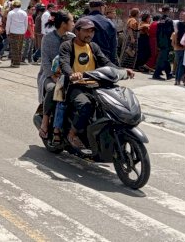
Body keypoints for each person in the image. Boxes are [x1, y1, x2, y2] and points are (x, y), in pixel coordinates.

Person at [59, 18, 134, 151]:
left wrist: (122, 71)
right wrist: (72, 74)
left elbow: (106, 62)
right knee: (86, 106)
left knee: (113, 104)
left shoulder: (93, 47)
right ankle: (72, 134)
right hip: (75, 86)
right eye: (86, 31)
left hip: (95, 84)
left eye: (92, 31)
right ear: (77, 31)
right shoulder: (67, 46)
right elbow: (64, 63)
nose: (89, 34)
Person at [37, 10, 74, 144]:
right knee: (54, 89)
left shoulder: (72, 37)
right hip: (49, 76)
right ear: (64, 24)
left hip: (69, 76)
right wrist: (53, 77)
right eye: (72, 21)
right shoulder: (48, 38)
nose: (73, 23)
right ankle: (45, 122)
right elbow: (45, 62)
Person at [85, 0, 118, 65]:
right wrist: (112, 63)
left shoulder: (82, 21)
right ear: (101, 7)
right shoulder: (109, 23)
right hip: (103, 61)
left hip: (84, 59)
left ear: (90, 8)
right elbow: (113, 47)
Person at [152, 5, 175, 80]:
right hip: (166, 42)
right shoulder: (169, 20)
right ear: (168, 11)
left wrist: (158, 42)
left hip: (160, 41)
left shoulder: (160, 20)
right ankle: (156, 74)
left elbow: (157, 32)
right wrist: (172, 42)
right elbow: (171, 32)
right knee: (162, 58)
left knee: (165, 57)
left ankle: (169, 74)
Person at [5, 0, 27, 67]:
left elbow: (8, 23)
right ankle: (14, 62)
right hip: (21, 32)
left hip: (13, 32)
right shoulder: (24, 13)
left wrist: (7, 32)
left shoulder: (11, 13)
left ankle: (16, 63)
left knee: (14, 48)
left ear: (13, 5)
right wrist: (24, 31)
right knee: (19, 48)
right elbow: (26, 24)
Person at [171, 21, 185, 85]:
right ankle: (178, 80)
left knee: (178, 66)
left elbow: (172, 43)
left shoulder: (174, 34)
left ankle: (176, 80)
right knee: (181, 66)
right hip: (183, 50)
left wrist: (175, 47)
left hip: (176, 50)